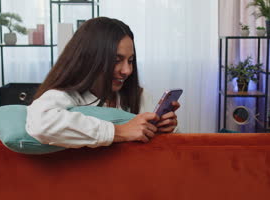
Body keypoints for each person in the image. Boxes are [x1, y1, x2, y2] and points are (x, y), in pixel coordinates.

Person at [26, 17, 180, 149]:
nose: (127, 70)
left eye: (130, 61)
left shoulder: (140, 96)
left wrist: (163, 131)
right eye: (116, 60)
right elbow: (40, 123)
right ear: (90, 59)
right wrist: (119, 131)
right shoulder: (67, 95)